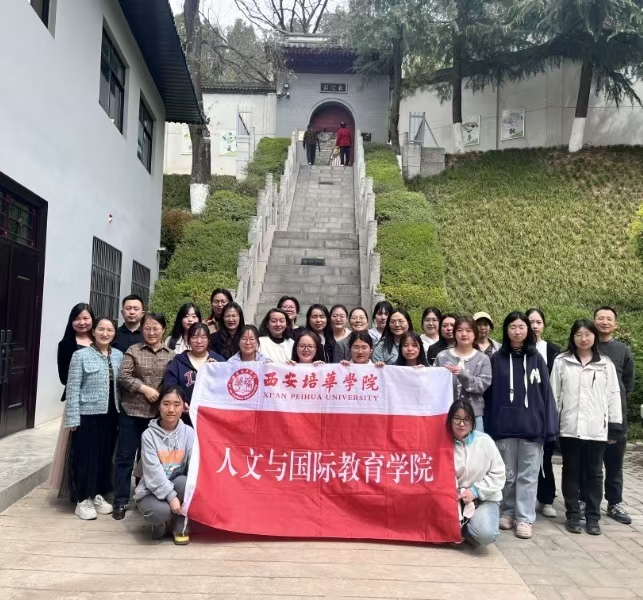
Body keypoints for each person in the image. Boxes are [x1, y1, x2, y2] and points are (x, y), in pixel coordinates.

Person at [484, 311, 558, 540]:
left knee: (528, 475)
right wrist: (490, 426)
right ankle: (507, 512)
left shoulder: (537, 359)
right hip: (504, 427)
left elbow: (546, 395)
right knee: (507, 474)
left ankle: (524, 518)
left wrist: (549, 427)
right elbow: (489, 396)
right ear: (506, 330)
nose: (517, 331)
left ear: (528, 330)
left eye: (521, 327)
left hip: (532, 428)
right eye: (513, 327)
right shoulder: (496, 359)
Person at [550, 319, 622, 536]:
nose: (583, 339)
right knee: (571, 471)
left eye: (588, 334)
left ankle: (593, 517)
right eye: (579, 335)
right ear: (573, 337)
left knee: (595, 474)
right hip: (569, 427)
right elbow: (554, 395)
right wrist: (552, 425)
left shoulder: (605, 364)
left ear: (594, 337)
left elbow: (613, 396)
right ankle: (573, 515)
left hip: (596, 429)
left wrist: (614, 426)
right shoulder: (562, 361)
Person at [114, 313, 175, 520]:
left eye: (156, 328)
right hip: (131, 412)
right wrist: (145, 389)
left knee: (148, 460)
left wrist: (160, 393)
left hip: (156, 416)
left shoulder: (171, 355)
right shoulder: (134, 350)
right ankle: (120, 501)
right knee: (125, 457)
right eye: (147, 328)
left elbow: (171, 381)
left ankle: (142, 498)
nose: (151, 332)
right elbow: (123, 376)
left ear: (163, 330)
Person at [63, 317, 123, 520]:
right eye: (101, 329)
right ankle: (82, 499)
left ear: (114, 333)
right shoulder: (80, 355)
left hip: (111, 415)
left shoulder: (118, 355)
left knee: (104, 456)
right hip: (87, 415)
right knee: (85, 457)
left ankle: (97, 494)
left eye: (110, 330)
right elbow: (72, 388)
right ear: (94, 331)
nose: (105, 333)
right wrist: (72, 418)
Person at [587, 306, 635, 525]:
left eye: (609, 319)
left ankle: (615, 503)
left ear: (615, 324)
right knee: (590, 463)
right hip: (591, 415)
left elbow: (628, 384)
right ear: (594, 321)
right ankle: (587, 501)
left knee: (614, 464)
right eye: (600, 318)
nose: (604, 322)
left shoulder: (622, 350)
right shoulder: (587, 346)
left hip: (616, 417)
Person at [134, 385, 195, 545]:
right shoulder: (148, 435)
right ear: (159, 406)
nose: (171, 409)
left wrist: (191, 493)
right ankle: (160, 523)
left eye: (177, 404)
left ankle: (179, 526)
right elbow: (153, 472)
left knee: (186, 483)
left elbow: (193, 467)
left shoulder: (189, 433)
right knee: (159, 513)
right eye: (166, 404)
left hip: (177, 484)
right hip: (151, 489)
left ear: (184, 407)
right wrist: (171, 497)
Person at [449, 399, 506, 548]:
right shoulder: (444, 443)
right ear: (450, 420)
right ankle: (457, 527)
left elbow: (498, 474)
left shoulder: (485, 441)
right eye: (457, 418)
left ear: (473, 422)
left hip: (483, 498)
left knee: (485, 534)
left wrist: (475, 491)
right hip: (453, 498)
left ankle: (466, 530)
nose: (461, 424)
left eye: (466, 419)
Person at [526, 308, 561, 519]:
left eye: (538, 322)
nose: (534, 326)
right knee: (526, 458)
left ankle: (546, 499)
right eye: (531, 322)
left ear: (544, 325)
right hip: (525, 411)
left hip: (545, 410)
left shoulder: (553, 350)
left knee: (545, 457)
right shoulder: (518, 350)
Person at [435, 316, 492, 432]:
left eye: (468, 330)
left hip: (474, 415)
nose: (464, 334)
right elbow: (433, 383)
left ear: (475, 334)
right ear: (455, 333)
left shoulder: (483, 359)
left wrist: (462, 374)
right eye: (460, 330)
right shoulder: (442, 356)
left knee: (476, 444)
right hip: (447, 414)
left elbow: (482, 385)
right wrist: (421, 371)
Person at [164, 323, 225, 422]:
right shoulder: (178, 361)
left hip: (212, 417)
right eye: (194, 337)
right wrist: (180, 403)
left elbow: (225, 389)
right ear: (188, 340)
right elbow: (170, 386)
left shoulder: (219, 361)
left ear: (209, 340)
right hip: (184, 417)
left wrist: (216, 371)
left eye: (203, 337)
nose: (199, 341)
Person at [57, 303, 95, 395]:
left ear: (92, 319)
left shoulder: (100, 341)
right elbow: (64, 378)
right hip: (77, 394)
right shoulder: (65, 345)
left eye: (86, 318)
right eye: (77, 319)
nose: (82, 322)